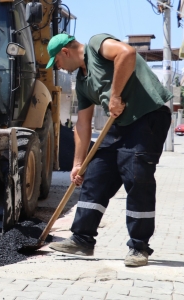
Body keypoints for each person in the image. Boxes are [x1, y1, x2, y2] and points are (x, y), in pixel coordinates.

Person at [45, 34, 172, 267]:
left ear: (65, 52)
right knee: (95, 174)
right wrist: (77, 163)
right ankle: (82, 239)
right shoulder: (82, 84)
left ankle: (139, 247)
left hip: (148, 115)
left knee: (136, 176)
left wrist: (114, 96)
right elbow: (82, 125)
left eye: (58, 62)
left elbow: (127, 53)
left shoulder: (96, 45)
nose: (59, 68)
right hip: (119, 123)